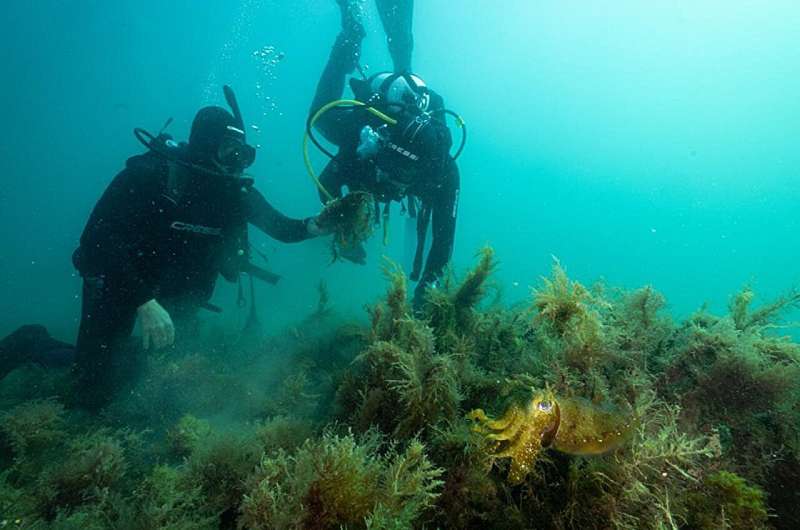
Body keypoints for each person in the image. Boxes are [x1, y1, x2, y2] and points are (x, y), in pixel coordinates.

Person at [71, 86, 329, 410]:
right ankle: (32, 344)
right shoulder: (153, 175)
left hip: (176, 295)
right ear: (206, 145)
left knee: (169, 387)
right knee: (92, 388)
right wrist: (144, 302)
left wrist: (314, 225)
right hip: (122, 284)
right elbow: (97, 237)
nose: (237, 163)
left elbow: (280, 226)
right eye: (229, 151)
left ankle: (132, 356)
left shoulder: (234, 193)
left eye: (243, 154)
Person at [309, 0, 462, 311]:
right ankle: (350, 36)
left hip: (398, 130)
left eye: (406, 172)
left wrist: (427, 286)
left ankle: (373, 46)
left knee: (400, 62)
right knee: (318, 118)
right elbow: (326, 184)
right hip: (373, 125)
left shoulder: (440, 170)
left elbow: (444, 236)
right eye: (395, 169)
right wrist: (345, 229)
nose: (397, 180)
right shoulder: (361, 143)